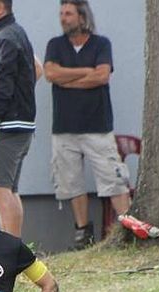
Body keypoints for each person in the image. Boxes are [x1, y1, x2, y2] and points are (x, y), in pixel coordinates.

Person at [43, 0, 131, 249]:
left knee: (113, 178)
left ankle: (127, 228)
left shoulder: (101, 44)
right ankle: (83, 234)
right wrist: (85, 72)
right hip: (64, 128)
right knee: (71, 183)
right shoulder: (55, 45)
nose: (63, 18)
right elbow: (50, 74)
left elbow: (102, 76)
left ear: (82, 17)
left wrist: (67, 79)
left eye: (68, 13)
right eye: (61, 13)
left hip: (97, 126)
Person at [0, 0, 37, 238]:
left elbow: (2, 82)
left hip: (6, 125)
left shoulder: (4, 38)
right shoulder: (14, 33)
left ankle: (9, 250)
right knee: (9, 190)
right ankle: (15, 247)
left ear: (0, 7)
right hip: (19, 124)